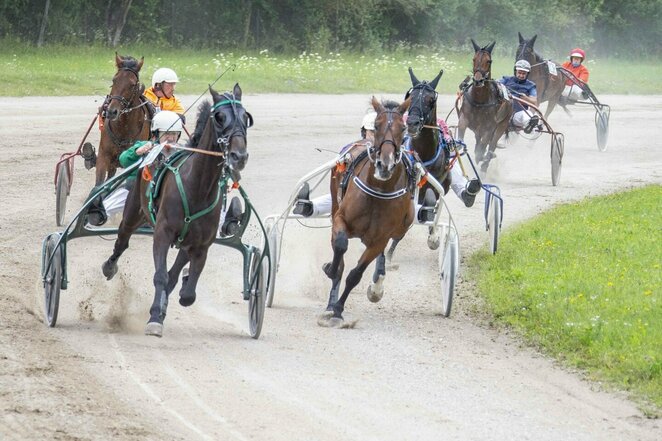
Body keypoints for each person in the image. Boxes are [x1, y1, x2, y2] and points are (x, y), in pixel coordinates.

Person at [499, 59, 539, 134]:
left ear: (527, 74)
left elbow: (534, 101)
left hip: (516, 115)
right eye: (519, 73)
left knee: (526, 114)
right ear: (515, 72)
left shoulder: (531, 85)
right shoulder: (506, 79)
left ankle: (530, 124)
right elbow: (495, 85)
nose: (521, 75)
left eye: (524, 74)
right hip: (501, 113)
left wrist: (526, 98)